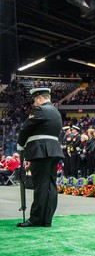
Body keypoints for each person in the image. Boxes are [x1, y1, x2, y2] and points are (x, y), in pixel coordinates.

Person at [16, 88, 64, 227]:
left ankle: (36, 219)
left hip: (41, 151)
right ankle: (46, 219)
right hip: (53, 150)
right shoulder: (56, 112)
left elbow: (26, 128)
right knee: (50, 185)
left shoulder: (40, 110)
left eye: (35, 100)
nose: (34, 104)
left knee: (40, 185)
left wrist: (20, 144)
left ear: (39, 98)